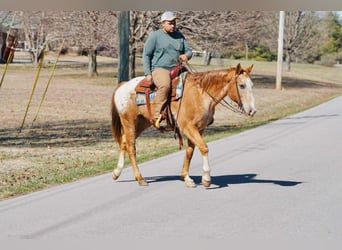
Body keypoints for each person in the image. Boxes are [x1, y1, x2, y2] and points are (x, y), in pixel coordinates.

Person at [143, 11, 193, 129]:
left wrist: (187, 55)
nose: (173, 25)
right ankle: (158, 116)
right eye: (170, 23)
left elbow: (189, 50)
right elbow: (146, 55)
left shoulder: (179, 36)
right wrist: (148, 73)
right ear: (163, 23)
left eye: (174, 23)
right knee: (165, 86)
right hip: (160, 69)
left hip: (177, 68)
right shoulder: (155, 36)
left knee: (194, 83)